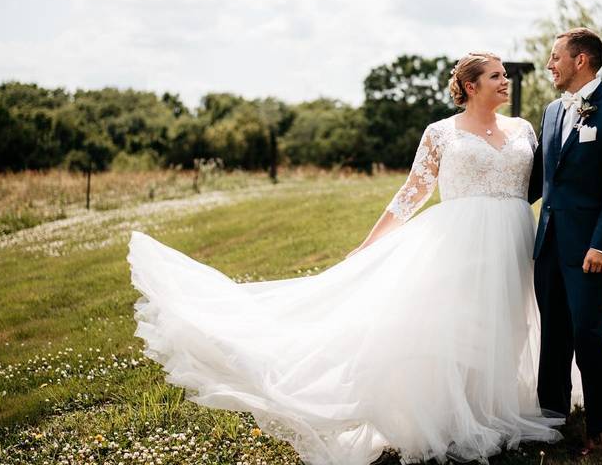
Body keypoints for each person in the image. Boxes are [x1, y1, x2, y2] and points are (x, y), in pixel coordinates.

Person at [127, 52, 564, 465]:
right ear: (470, 86)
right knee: (459, 323)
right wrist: (371, 241)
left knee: (508, 320)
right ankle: (455, 414)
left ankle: (497, 404)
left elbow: (545, 180)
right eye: (496, 75)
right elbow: (414, 191)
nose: (505, 81)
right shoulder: (440, 132)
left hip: (514, 237)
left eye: (505, 74)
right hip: (460, 241)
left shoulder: (523, 129)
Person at [527, 27, 602, 456]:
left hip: (590, 250)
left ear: (581, 61)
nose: (549, 65)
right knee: (553, 332)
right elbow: (539, 179)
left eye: (556, 57)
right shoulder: (553, 111)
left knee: (589, 337)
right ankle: (552, 418)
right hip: (548, 245)